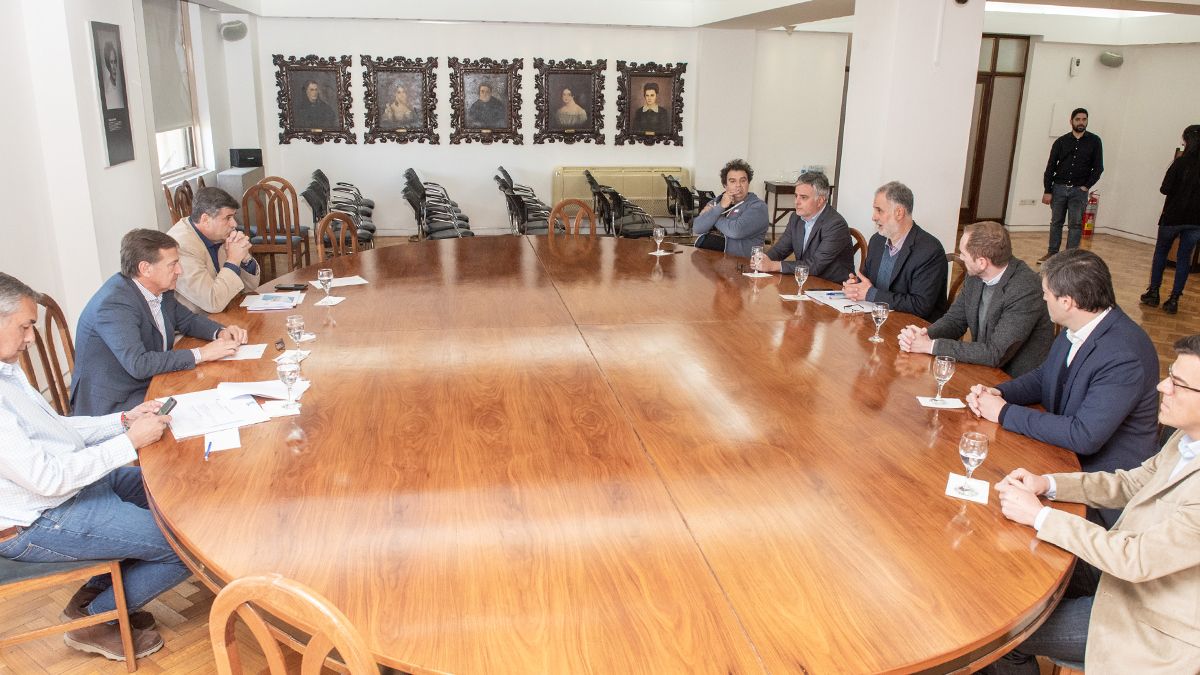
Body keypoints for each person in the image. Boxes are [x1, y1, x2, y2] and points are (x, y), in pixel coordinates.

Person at [983, 333, 1200, 675]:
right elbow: (1129, 482)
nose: (1162, 387)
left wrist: (1041, 515)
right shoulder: (1185, 439)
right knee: (1005, 568)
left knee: (1001, 637)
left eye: (1177, 383)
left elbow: (1136, 559)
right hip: (1123, 574)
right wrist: (1049, 483)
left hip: (1147, 620)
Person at [0, 272, 188, 662]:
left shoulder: (7, 371)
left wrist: (122, 420)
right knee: (185, 542)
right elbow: (47, 480)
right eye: (25, 327)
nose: (31, 339)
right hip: (41, 515)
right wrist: (128, 443)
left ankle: (96, 598)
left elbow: (56, 431)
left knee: (167, 488)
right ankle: (96, 620)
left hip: (70, 487)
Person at [966, 249, 1159, 527]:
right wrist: (1000, 393)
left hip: (1101, 490)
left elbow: (1084, 435)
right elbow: (1046, 376)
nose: (1043, 297)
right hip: (1059, 457)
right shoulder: (1079, 325)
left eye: (1046, 293)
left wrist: (1005, 413)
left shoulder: (1124, 354)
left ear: (1067, 301)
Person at [71, 229, 248, 416]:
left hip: (152, 381)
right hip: (117, 402)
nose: (179, 270)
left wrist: (220, 332)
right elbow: (139, 364)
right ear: (145, 268)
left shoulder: (160, 289)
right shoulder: (114, 304)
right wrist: (202, 353)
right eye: (173, 264)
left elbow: (188, 320)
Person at [898, 221, 1053, 377]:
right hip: (983, 368)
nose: (961, 258)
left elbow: (995, 353)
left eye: (963, 254)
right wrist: (927, 334)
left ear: (981, 262)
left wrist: (931, 346)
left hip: (1014, 379)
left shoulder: (1025, 289)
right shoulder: (976, 276)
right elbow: (955, 320)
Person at [842, 181, 948, 322]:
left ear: (899, 213)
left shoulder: (929, 250)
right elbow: (867, 282)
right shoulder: (877, 241)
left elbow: (920, 305)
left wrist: (871, 294)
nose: (873, 217)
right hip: (879, 320)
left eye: (879, 210)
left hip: (913, 329)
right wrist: (855, 286)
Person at [166, 186, 260, 314]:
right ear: (205, 220)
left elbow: (249, 287)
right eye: (228, 218)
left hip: (225, 311)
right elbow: (213, 302)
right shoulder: (181, 247)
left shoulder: (217, 235)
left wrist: (245, 259)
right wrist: (233, 260)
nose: (234, 224)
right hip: (196, 324)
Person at [1140, 123, 1200, 315]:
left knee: (1161, 253)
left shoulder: (1180, 162)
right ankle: (1174, 299)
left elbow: (1164, 188)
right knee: (1184, 258)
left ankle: (1154, 292)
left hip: (1173, 217)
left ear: (1186, 141)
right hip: (1196, 221)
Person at [753, 171, 853, 281]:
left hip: (831, 287)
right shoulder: (795, 218)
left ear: (820, 201)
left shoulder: (835, 225)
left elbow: (815, 265)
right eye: (796, 196)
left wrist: (774, 265)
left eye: (803, 197)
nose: (796, 202)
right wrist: (763, 259)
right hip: (806, 280)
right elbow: (781, 249)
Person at [1039, 107, 1103, 263]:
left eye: (1084, 119)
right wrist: (1048, 190)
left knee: (1075, 224)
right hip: (1059, 187)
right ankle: (1052, 253)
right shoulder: (1061, 141)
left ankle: (1070, 257)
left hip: (1079, 190)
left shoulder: (1094, 141)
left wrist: (1086, 186)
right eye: (1078, 119)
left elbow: (1098, 167)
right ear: (1071, 121)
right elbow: (1051, 167)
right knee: (1056, 222)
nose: (1081, 122)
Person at [692, 159, 769, 258]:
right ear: (725, 185)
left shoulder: (758, 207)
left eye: (743, 180)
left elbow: (736, 231)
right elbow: (697, 228)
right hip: (709, 258)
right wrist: (720, 207)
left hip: (740, 264)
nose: (738, 185)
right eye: (732, 181)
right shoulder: (718, 201)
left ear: (748, 183)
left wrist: (714, 213)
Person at [101, 41, 124, 110]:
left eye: (115, 62)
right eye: (111, 62)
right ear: (107, 64)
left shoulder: (119, 86)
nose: (114, 67)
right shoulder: (108, 91)